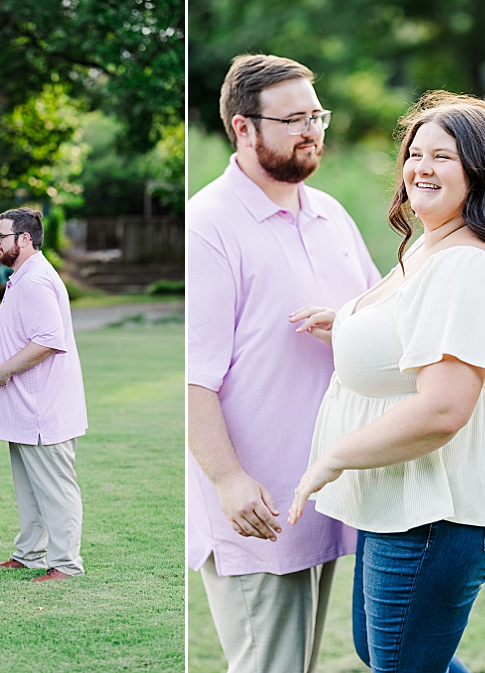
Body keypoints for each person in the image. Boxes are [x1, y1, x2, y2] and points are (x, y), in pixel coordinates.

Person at [288, 91, 485, 673]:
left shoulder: (467, 265)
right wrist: (350, 326)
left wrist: (333, 460)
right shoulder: (433, 245)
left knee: (402, 666)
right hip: (406, 501)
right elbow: (413, 330)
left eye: (443, 158)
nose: (420, 168)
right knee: (386, 655)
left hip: (442, 512)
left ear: (480, 172)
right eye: (415, 153)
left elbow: (441, 410)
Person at [188, 54, 381, 672]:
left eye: (317, 116)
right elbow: (192, 376)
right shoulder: (208, 226)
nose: (312, 131)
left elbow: (379, 319)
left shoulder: (330, 214)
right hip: (258, 507)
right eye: (294, 119)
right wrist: (227, 479)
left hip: (324, 494)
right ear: (244, 128)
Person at [0, 207, 88, 583]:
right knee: (30, 489)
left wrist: (3, 369)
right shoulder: (23, 277)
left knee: (55, 489)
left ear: (24, 239)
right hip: (24, 410)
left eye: (1, 236)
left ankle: (66, 565)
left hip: (43, 408)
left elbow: (48, 340)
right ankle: (28, 555)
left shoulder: (36, 279)